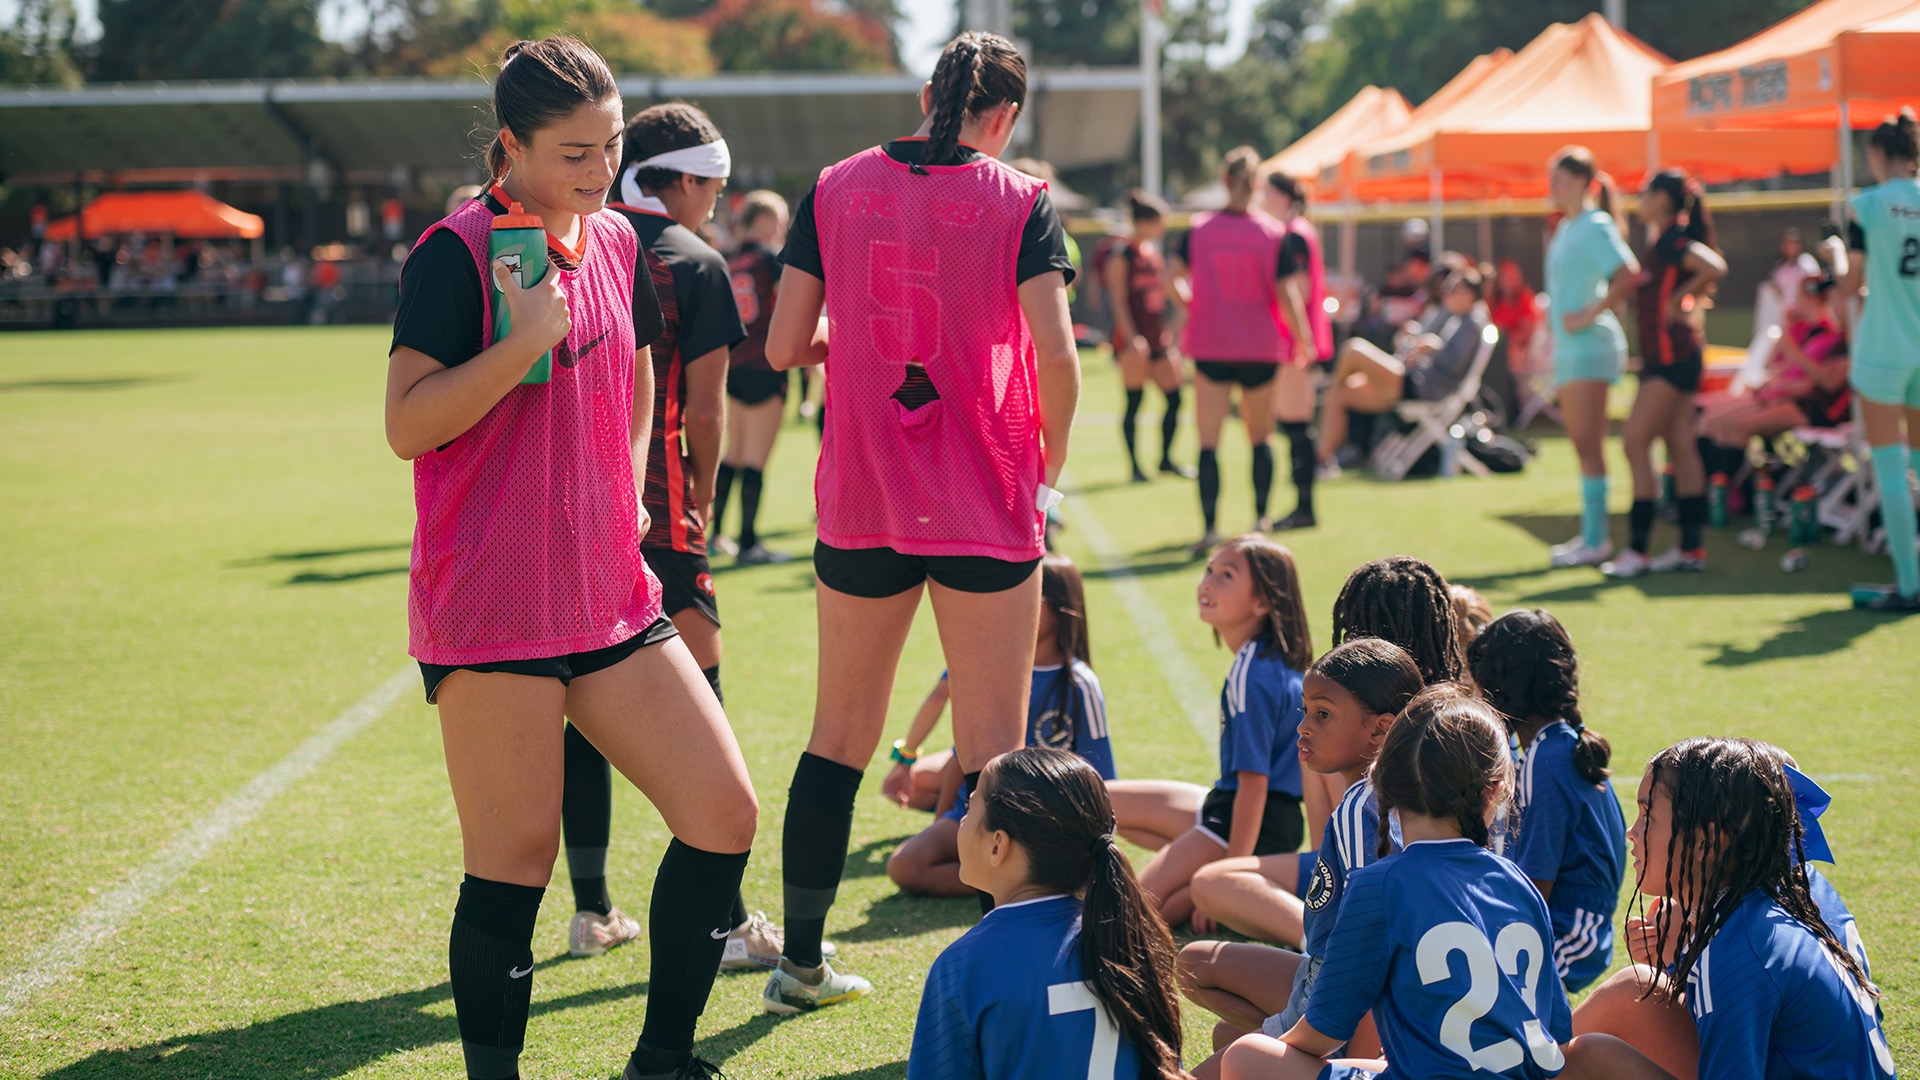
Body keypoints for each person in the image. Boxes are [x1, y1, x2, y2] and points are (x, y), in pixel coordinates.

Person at [384, 37, 755, 1080]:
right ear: (511, 146)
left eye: (613, 146)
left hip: (611, 595)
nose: (600, 171)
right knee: (514, 866)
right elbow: (406, 424)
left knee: (722, 814)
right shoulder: (454, 252)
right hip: (492, 604)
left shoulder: (624, 242)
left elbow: (639, 376)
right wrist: (519, 345)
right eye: (574, 154)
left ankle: (662, 1060)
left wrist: (624, 487)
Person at [761, 30, 1080, 1012]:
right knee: (993, 755)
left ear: (926, 96)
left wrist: (856, 342)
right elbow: (1058, 360)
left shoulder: (835, 184)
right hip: (983, 492)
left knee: (837, 738)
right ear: (1005, 115)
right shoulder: (1020, 197)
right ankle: (1003, 989)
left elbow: (781, 346)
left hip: (865, 493)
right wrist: (1049, 474)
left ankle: (799, 966)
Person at [1218, 687, 1662, 1080]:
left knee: (1246, 1055)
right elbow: (1555, 1036)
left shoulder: (1379, 884)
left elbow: (1323, 1032)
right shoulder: (1518, 881)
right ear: (1494, 791)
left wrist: (1279, 1046)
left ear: (1384, 782)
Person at [592, 102, 788, 975]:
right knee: (704, 707)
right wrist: (702, 494)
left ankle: (592, 908)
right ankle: (732, 920)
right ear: (677, 180)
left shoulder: (579, 241)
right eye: (713, 184)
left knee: (579, 705)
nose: (718, 200)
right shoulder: (692, 260)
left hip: (573, 510)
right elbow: (704, 411)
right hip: (660, 506)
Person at [1576, 738, 1895, 1079]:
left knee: (1589, 1052)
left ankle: (1534, 1062)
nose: (1632, 832)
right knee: (1640, 981)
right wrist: (1678, 955)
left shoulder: (1741, 949)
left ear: (1706, 841)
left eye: (1648, 816)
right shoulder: (1800, 885)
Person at [1180, 639, 1423, 1077]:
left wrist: (1353, 1066)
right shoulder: (1396, 795)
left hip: (1339, 1007)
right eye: (1305, 710)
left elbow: (1375, 950)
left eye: (1323, 714)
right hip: (1327, 985)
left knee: (1230, 1058)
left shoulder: (1361, 811)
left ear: (1380, 729)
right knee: (1203, 987)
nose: (1304, 727)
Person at [907, 747, 1186, 1079]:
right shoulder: (1130, 938)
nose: (962, 821)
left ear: (997, 845)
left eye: (969, 808)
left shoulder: (965, 963)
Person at [1107, 535, 1311, 929]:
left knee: (1129, 917)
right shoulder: (1265, 661)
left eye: (1226, 576)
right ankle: (1198, 870)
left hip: (1246, 820)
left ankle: (1218, 878)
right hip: (1245, 813)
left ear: (1262, 602)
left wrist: (1229, 878)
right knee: (1102, 802)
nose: (1208, 583)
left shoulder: (1253, 673)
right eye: (1209, 570)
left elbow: (1254, 785)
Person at [887, 555, 1116, 897]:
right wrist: (945, 820)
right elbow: (962, 756)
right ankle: (1019, 887)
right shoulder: (990, 664)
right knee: (906, 865)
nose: (1016, 604)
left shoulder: (1080, 684)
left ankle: (1020, 889)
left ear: (1062, 608)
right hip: (979, 810)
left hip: (1039, 823)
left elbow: (1102, 779)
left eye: (1032, 595)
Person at [1467, 610, 1626, 993]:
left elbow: (1537, 882)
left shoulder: (1548, 760)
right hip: (1565, 921)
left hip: (1568, 933)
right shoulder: (1554, 744)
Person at [1601, 171, 1726, 578]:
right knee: (1681, 445)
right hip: (1672, 358)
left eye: (1645, 192)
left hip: (1672, 360)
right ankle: (1691, 548)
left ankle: (1638, 550)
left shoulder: (1673, 240)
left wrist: (1678, 299)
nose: (1639, 198)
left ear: (1661, 199)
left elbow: (1714, 266)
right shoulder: (1662, 242)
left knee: (1635, 441)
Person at [1171, 148, 1294, 553]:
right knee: (1261, 437)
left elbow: (1172, 277)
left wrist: (1195, 305)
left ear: (1224, 180)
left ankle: (1210, 528)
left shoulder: (1199, 228)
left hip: (1212, 344)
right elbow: (1287, 294)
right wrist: (1306, 339)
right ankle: (1260, 522)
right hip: (1259, 346)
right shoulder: (1272, 232)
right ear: (1257, 184)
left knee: (1209, 440)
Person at [1544, 147, 1640, 569]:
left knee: (1589, 443)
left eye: (1560, 179)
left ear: (1584, 182)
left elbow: (1629, 273)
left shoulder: (1595, 224)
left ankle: (1597, 540)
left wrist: (1590, 313)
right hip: (1568, 350)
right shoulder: (1566, 226)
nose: (1553, 187)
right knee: (1582, 444)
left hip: (1590, 348)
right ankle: (1591, 536)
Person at [1843, 109, 1920, 612]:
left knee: (1891, 471)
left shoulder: (1865, 204)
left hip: (1884, 351)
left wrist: (1837, 260)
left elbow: (1849, 285)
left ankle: (1910, 586)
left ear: (1875, 153)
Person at [1315, 260, 1491, 472]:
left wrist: (1433, 348)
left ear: (1469, 295)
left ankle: (1328, 383)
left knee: (1354, 349)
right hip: (1412, 379)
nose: (1446, 293)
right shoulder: (1455, 318)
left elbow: (1453, 365)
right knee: (1339, 392)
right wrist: (1415, 341)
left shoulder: (1472, 322)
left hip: (1421, 387)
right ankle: (1322, 462)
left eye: (1453, 289)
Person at [1697, 274, 1849, 484]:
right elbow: (1776, 367)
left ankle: (1721, 490)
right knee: (1712, 421)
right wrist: (1786, 329)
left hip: (1812, 406)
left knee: (1736, 426)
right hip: (1789, 396)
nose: (1795, 303)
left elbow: (1820, 383)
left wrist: (1786, 373)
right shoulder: (1808, 330)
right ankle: (1709, 486)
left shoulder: (1832, 336)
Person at [712, 189, 794, 564]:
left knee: (734, 452)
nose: (783, 228)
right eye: (780, 220)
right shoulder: (769, 259)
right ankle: (748, 543)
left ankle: (716, 535)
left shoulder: (728, 257)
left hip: (733, 365)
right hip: (764, 364)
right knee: (755, 458)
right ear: (766, 220)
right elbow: (790, 310)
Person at [1261, 171, 1334, 529]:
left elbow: (1299, 290)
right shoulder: (1297, 230)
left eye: (1267, 193)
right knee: (1294, 423)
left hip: (1293, 343)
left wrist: (1294, 335)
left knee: (1295, 424)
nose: (1262, 199)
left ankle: (1305, 507)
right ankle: (1303, 506)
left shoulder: (1294, 234)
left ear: (1282, 197)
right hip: (1296, 340)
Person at [1107, 188, 1190, 484]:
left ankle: (1166, 459)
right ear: (1144, 222)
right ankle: (1135, 467)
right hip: (1134, 340)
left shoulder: (1153, 254)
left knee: (1175, 399)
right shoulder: (1121, 256)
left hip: (1158, 339)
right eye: (1159, 222)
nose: (1162, 228)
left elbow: (1168, 293)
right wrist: (1132, 338)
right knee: (1135, 401)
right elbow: (1118, 301)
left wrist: (1175, 324)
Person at [1488, 258, 1540, 390]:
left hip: (1519, 352)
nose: (1509, 282)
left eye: (1512, 278)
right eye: (1506, 278)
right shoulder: (1493, 302)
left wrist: (1510, 343)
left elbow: (1527, 329)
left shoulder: (1524, 299)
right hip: (1497, 350)